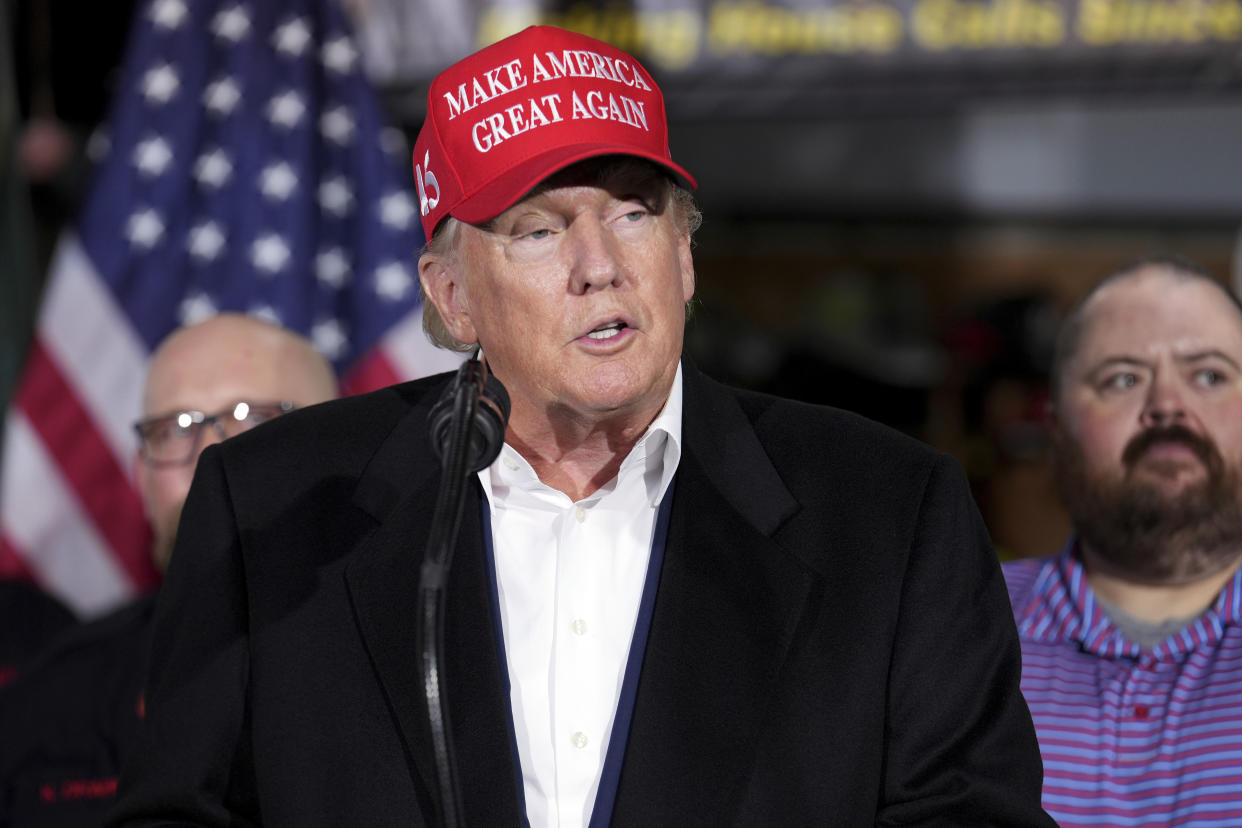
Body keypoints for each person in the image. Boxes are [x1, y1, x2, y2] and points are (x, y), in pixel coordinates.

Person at [110, 26, 1053, 827]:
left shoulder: (889, 513)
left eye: (634, 214)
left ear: (683, 257)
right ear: (452, 298)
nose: (600, 265)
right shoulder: (270, 510)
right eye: (540, 229)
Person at [0, 314, 336, 827]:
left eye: (253, 418)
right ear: (141, 477)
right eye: (174, 429)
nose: (211, 458)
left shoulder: (444, 669)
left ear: (343, 448)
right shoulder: (45, 708)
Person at [1003, 255, 1242, 826]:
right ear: (1057, 427)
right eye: (1123, 379)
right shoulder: (953, 621)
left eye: (1209, 375)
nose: (1167, 407)